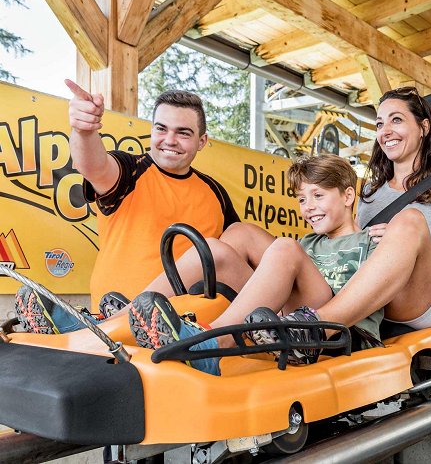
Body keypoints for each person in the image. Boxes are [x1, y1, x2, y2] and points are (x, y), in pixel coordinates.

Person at [131, 86, 431, 368]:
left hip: (413, 301)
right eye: (380, 123)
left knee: (410, 222)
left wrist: (420, 247)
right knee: (238, 235)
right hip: (346, 290)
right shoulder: (367, 192)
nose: (385, 131)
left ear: (424, 128)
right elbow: (340, 237)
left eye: (396, 120)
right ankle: (125, 318)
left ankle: (313, 329)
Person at [15, 80, 239, 334]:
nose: (170, 140)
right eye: (161, 129)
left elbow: (234, 256)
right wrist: (84, 131)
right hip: (113, 317)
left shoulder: (216, 192)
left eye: (183, 133)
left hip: (185, 326)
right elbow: (94, 167)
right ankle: (96, 325)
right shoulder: (131, 169)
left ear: (202, 141)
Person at [128, 154, 385, 372]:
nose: (308, 207)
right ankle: (118, 318)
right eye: (302, 199)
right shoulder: (308, 243)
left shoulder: (373, 240)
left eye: (318, 195)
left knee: (284, 246)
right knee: (235, 235)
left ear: (348, 196)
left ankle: (214, 342)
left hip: (336, 334)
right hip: (285, 322)